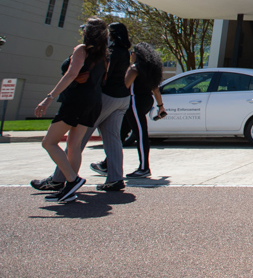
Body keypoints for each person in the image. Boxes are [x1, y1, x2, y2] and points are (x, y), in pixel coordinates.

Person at [31, 22, 133, 194]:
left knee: (73, 142)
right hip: (122, 98)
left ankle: (61, 179)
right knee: (112, 138)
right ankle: (115, 179)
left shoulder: (103, 52)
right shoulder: (122, 53)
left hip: (98, 98)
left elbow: (77, 75)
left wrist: (49, 97)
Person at [33, 17, 108, 203]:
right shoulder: (104, 54)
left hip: (76, 101)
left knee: (49, 142)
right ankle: (70, 189)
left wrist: (48, 98)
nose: (81, 30)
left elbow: (71, 74)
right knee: (74, 146)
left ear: (88, 32)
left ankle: (73, 180)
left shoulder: (81, 49)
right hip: (93, 102)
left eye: (84, 28)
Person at [124, 42, 166, 178]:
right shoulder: (149, 70)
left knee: (141, 134)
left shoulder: (134, 69)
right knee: (120, 133)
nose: (131, 55)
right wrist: (161, 107)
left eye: (133, 52)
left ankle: (144, 168)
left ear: (137, 54)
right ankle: (107, 164)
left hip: (134, 102)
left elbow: (124, 86)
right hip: (146, 101)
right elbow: (155, 89)